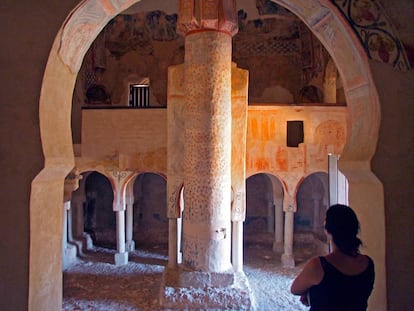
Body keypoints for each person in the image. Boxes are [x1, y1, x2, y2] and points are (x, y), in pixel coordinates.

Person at [290, 204, 375, 311]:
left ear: (328, 231)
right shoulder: (368, 264)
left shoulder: (319, 266)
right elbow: (350, 295)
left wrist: (311, 294)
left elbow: (295, 289)